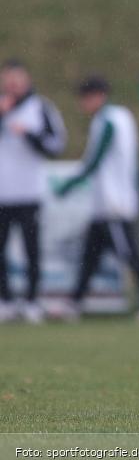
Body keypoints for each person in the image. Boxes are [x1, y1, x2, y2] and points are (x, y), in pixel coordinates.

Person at [52, 77, 139, 324]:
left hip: (114, 202)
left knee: (129, 255)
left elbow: (94, 160)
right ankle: (75, 302)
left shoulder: (108, 121)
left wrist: (69, 185)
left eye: (85, 97)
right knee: (90, 255)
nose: (83, 104)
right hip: (105, 203)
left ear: (98, 96)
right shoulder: (119, 117)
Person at [0, 59, 67, 323]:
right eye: (9, 79)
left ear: (26, 80)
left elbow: (56, 145)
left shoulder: (41, 107)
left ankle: (32, 301)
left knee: (32, 250)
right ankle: (4, 300)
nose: (13, 85)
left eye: (18, 79)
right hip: (2, 194)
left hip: (29, 193)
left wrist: (28, 134)